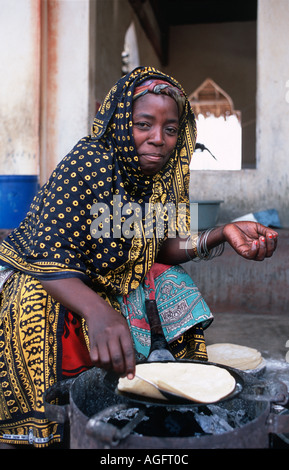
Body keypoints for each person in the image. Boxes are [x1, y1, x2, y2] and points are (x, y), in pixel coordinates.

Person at [0, 66, 278, 447]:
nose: (158, 139)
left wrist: (221, 234)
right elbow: (50, 254)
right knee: (34, 302)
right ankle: (55, 424)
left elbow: (156, 243)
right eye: (143, 124)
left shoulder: (159, 179)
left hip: (111, 276)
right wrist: (97, 312)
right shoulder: (89, 163)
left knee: (170, 281)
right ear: (120, 122)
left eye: (170, 129)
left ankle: (159, 392)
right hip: (51, 278)